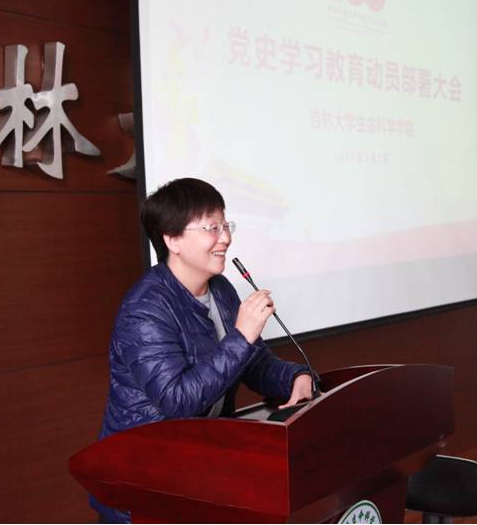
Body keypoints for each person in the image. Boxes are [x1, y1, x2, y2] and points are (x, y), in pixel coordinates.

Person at [91, 177, 314, 523]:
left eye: (225, 225)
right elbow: (177, 401)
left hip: (203, 458)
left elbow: (252, 363)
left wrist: (294, 377)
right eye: (212, 227)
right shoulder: (144, 309)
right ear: (172, 239)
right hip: (145, 474)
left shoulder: (220, 289)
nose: (225, 238)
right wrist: (241, 335)